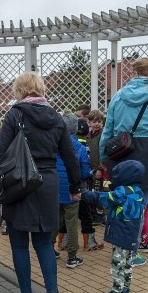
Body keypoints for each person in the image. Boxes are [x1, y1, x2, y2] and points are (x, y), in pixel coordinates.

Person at [0, 72, 81, 293]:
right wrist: (75, 186)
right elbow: (70, 156)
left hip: (19, 182)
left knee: (19, 244)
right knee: (43, 241)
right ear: (40, 89)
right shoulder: (57, 118)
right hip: (48, 182)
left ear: (20, 91)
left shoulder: (15, 114)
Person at [101, 57, 148, 267]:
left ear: (133, 72)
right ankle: (131, 251)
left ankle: (118, 247)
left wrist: (103, 159)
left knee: (119, 202)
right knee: (139, 206)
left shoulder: (118, 97)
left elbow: (108, 130)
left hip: (122, 155)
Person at [81, 160, 146, 293]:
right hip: (132, 234)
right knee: (128, 264)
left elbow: (103, 198)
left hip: (120, 234)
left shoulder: (122, 192)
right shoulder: (138, 191)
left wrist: (84, 194)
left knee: (118, 264)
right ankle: (125, 292)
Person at [54, 113, 91, 268]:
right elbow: (83, 172)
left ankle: (49, 248)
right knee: (72, 223)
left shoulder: (53, 145)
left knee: (55, 221)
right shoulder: (80, 148)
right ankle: (72, 256)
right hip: (73, 190)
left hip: (55, 189)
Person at [76, 118, 103, 250]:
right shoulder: (83, 147)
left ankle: (62, 242)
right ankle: (89, 243)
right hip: (80, 186)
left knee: (65, 216)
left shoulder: (62, 144)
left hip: (64, 186)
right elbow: (85, 171)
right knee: (85, 214)